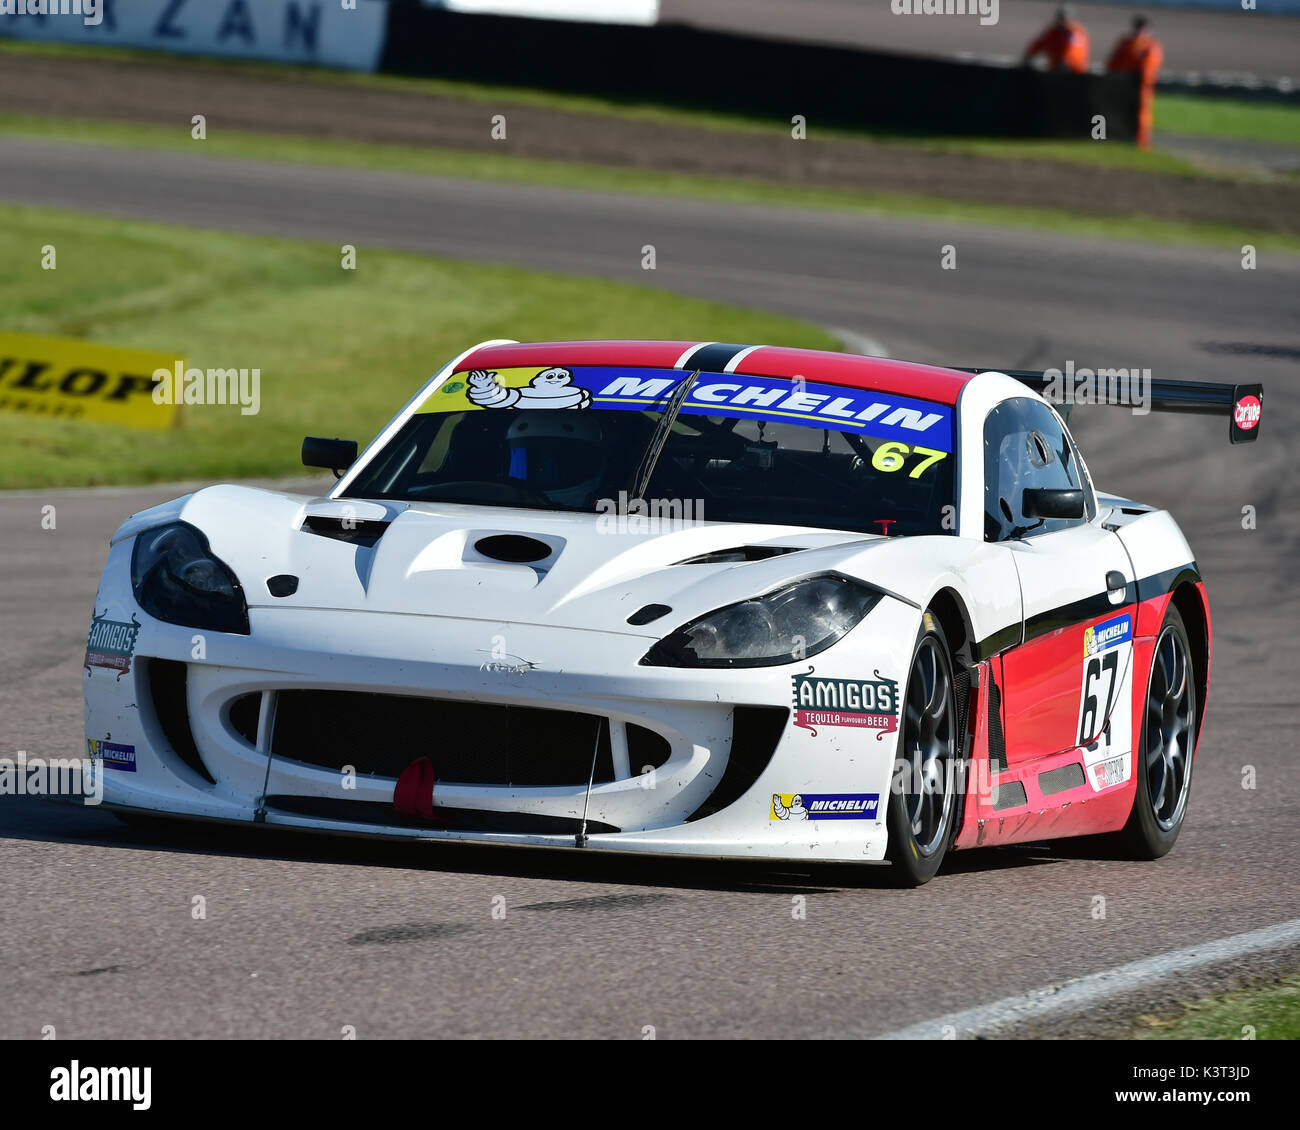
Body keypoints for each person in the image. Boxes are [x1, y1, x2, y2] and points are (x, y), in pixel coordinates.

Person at [1106, 15, 1164, 149]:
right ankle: (1119, 138)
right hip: (1123, 84)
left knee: (1141, 115)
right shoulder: (1126, 43)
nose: (1140, 32)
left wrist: (1141, 77)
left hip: (1141, 87)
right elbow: (1113, 62)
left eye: (1143, 29)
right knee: (1119, 112)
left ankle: (1141, 142)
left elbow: (1150, 67)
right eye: (1138, 28)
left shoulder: (1151, 45)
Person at [1022, 6, 1090, 75]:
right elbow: (1036, 46)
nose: (1064, 22)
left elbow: (1077, 50)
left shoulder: (1077, 32)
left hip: (1077, 72)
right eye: (1062, 19)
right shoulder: (1052, 34)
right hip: (1057, 71)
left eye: (1066, 19)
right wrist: (1027, 59)